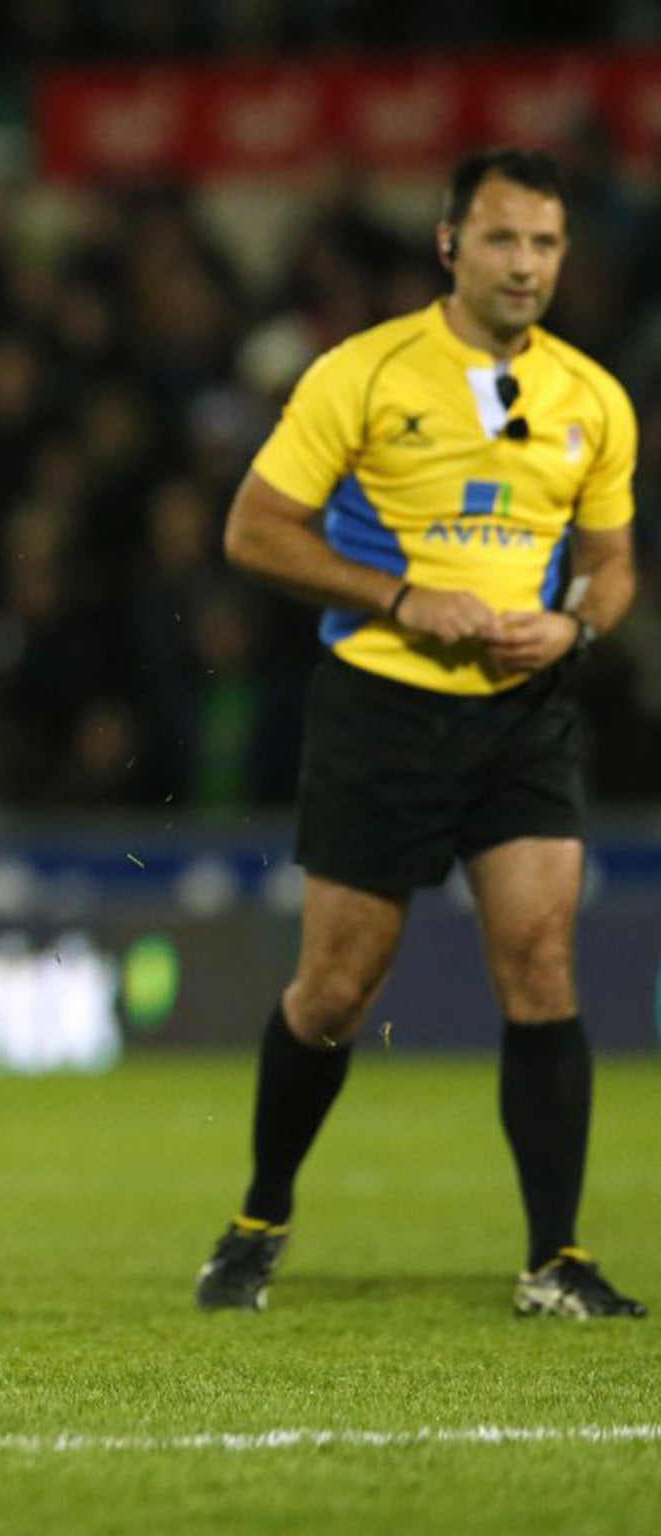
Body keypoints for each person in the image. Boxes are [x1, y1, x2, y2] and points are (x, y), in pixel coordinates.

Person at [195, 147, 644, 1319]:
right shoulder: (364, 371)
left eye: (543, 244)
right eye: (500, 239)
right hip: (382, 708)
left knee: (540, 963)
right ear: (449, 244)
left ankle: (553, 1257)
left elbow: (608, 566)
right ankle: (258, 1215)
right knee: (336, 988)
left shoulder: (591, 400)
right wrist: (397, 598)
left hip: (522, 715)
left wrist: (572, 630)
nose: (523, 264)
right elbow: (252, 530)